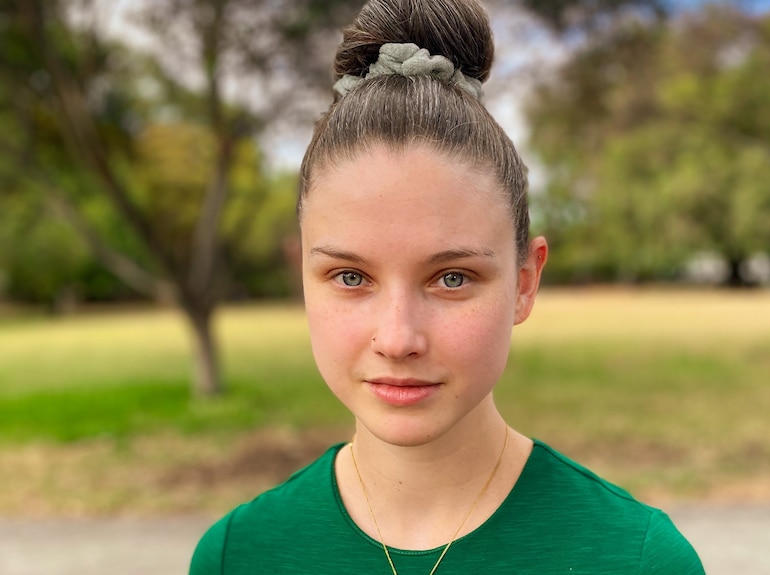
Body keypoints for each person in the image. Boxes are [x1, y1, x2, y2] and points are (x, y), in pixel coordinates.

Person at [190, 0, 705, 573]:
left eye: (451, 278)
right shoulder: (236, 555)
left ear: (525, 283)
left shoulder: (634, 558)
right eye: (351, 277)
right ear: (302, 279)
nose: (398, 338)